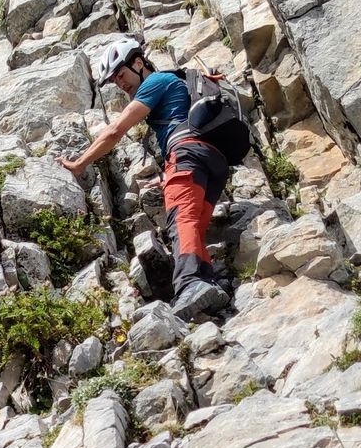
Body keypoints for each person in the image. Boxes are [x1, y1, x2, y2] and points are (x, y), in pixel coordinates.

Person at [61, 35, 234, 321]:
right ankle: (207, 284)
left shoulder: (155, 83)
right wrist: (170, 174)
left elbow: (115, 131)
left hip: (187, 154)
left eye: (121, 74)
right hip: (211, 160)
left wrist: (80, 163)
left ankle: (191, 283)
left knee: (181, 221)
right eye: (114, 80)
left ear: (139, 63)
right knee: (193, 223)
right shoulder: (175, 83)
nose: (120, 83)